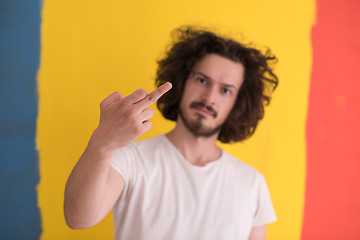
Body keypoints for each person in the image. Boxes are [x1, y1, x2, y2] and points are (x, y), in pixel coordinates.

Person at [64, 26, 279, 240]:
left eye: (225, 90)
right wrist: (102, 144)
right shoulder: (131, 159)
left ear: (238, 103)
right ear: (183, 81)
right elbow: (78, 218)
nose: (209, 97)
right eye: (202, 80)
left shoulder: (252, 183)